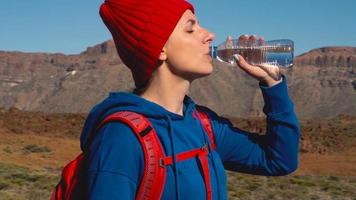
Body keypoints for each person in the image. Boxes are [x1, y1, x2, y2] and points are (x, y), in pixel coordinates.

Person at [79, 0, 300, 199]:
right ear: (160, 50)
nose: (210, 35)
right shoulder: (122, 138)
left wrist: (273, 84)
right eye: (191, 28)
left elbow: (279, 160)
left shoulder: (202, 125)